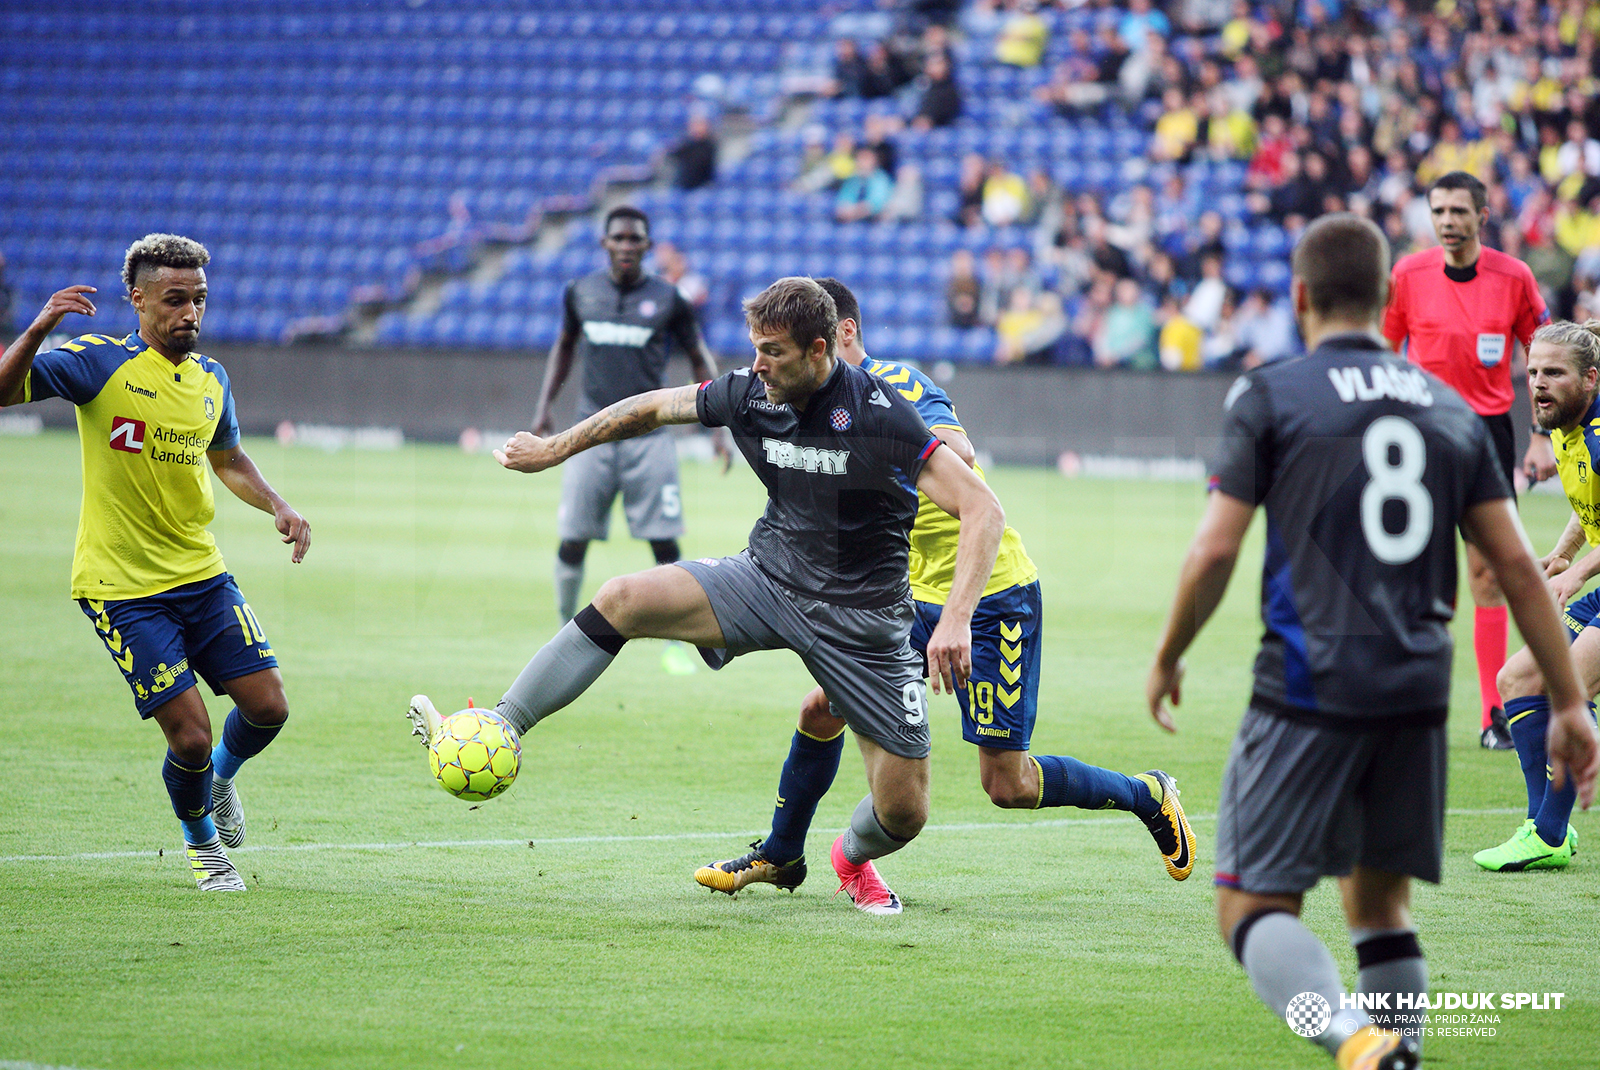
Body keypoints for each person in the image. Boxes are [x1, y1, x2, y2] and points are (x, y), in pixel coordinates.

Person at [1148, 214, 1597, 1070]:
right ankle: (1401, 1056)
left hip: (1308, 685)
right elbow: (1510, 561)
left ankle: (1358, 1041)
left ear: (1301, 296)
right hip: (1417, 691)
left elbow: (1214, 549)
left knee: (1250, 908)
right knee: (1382, 913)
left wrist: (1170, 655)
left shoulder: (1270, 393)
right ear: (1391, 297)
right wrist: (1570, 704)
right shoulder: (1448, 409)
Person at [412, 277, 1006, 914]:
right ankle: (503, 723)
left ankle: (846, 856)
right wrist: (555, 449)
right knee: (623, 597)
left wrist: (956, 620)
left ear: (818, 349)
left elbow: (982, 508)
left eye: (773, 352)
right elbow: (651, 407)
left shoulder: (878, 413)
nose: (758, 365)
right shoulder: (751, 393)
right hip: (767, 580)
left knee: (903, 812)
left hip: (862, 623)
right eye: (755, 348)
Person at [693, 278, 1194, 903]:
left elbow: (958, 448)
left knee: (1006, 784)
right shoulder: (809, 406)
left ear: (842, 334)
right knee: (820, 708)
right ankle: (782, 853)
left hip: (988, 598)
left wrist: (912, 447)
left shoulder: (895, 389)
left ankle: (1146, 793)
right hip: (905, 600)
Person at [0, 233, 312, 891]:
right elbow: (3, 392)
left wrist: (278, 505)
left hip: (201, 574)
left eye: (199, 299)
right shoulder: (95, 363)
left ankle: (220, 783)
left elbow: (226, 459)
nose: (190, 313)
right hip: (123, 587)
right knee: (191, 738)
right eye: (175, 300)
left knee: (269, 709)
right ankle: (203, 845)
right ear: (137, 300)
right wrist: (36, 331)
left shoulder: (210, 377)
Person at [1382, 171, 1555, 750]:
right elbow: (1382, 349)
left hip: (1485, 436)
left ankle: (1492, 716)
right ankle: (1407, 706)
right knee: (1415, 575)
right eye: (1438, 210)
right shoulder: (1407, 275)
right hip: (1419, 434)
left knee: (1487, 576)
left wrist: (1539, 435)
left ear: (1483, 215)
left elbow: (1545, 349)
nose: (1448, 220)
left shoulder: (1514, 277)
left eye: (1458, 210)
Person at [528, 207, 724, 678]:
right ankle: (562, 631)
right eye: (619, 238)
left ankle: (680, 641)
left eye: (636, 239)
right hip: (587, 434)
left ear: (647, 245)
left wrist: (718, 426)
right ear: (605, 243)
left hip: (648, 438)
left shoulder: (670, 298)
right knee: (573, 537)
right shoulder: (581, 292)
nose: (628, 246)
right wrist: (544, 407)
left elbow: (699, 357)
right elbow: (565, 346)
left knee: (664, 542)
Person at [1476, 320, 1600, 871]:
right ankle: (1543, 828)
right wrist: (1564, 553)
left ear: (1590, 379)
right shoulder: (1564, 427)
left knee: (1569, 686)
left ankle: (1549, 833)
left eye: (1553, 373)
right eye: (1532, 372)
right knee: (1517, 680)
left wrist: (1572, 578)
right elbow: (1588, 505)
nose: (1539, 383)